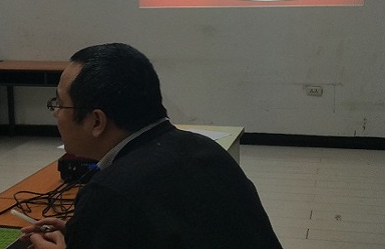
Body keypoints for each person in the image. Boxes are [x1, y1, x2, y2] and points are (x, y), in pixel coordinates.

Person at [21, 43, 282, 249]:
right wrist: (86, 231)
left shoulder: (109, 193)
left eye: (60, 104)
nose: (56, 114)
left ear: (97, 121)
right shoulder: (206, 149)